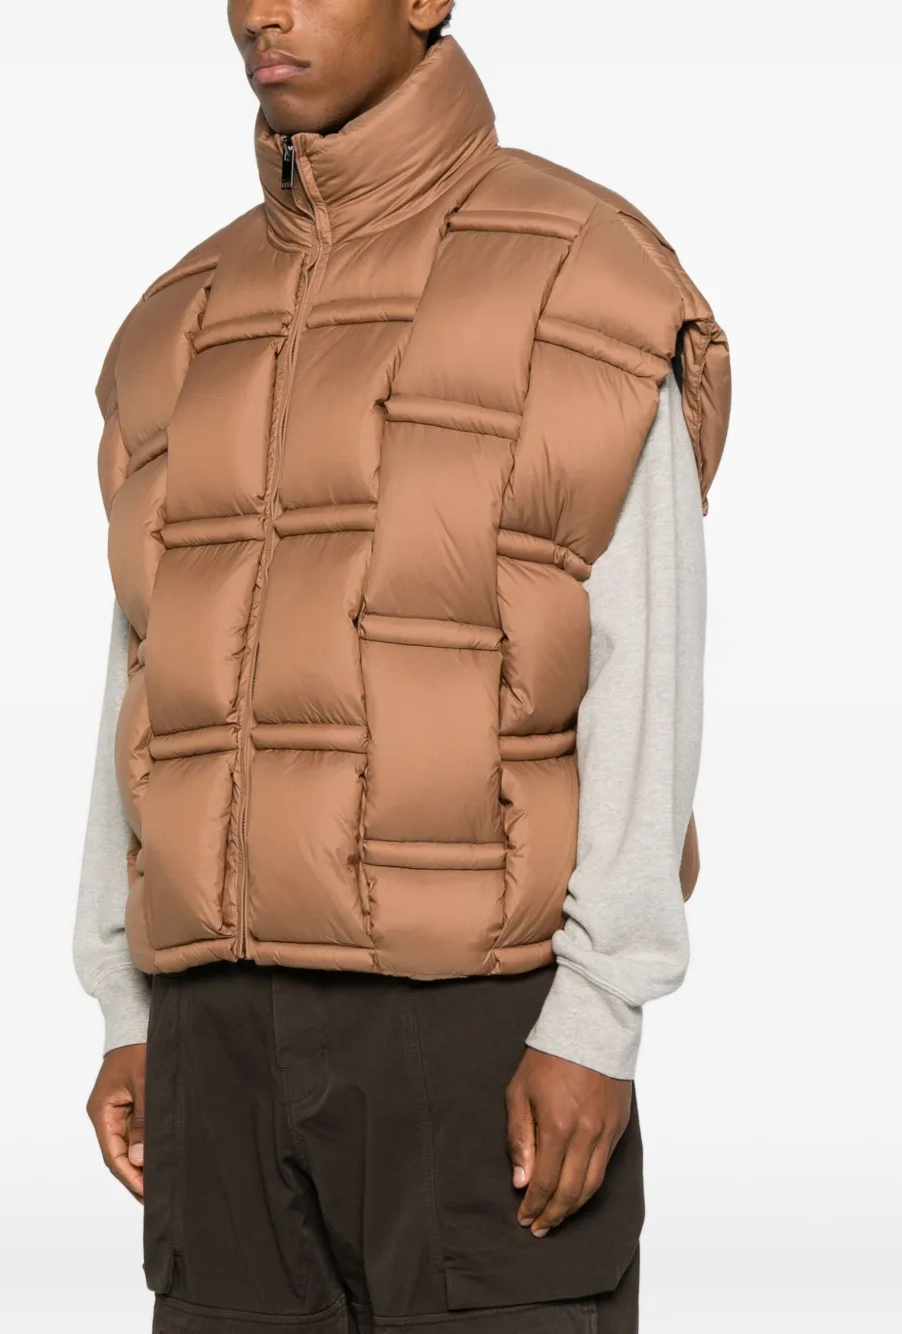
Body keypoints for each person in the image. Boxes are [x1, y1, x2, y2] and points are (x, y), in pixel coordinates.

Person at [74, 3, 731, 1331]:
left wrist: (597, 1015)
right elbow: (145, 675)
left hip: (480, 1029)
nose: (262, 12)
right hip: (215, 1039)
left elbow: (646, 665)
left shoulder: (582, 278)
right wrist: (126, 1000)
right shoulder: (179, 319)